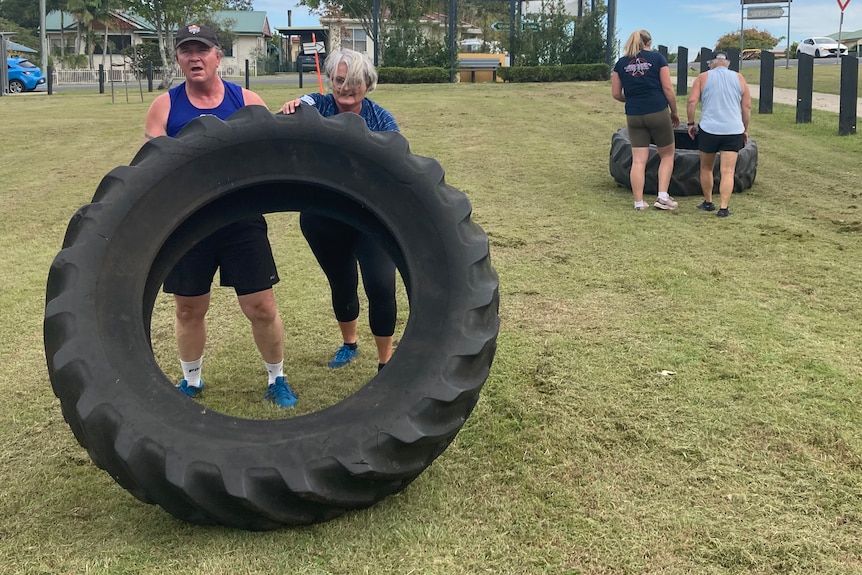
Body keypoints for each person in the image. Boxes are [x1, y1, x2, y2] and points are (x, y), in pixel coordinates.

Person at [143, 24, 296, 407]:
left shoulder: (246, 99)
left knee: (261, 307)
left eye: (202, 50)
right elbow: (150, 167)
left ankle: (277, 378)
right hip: (188, 223)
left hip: (240, 220)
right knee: (188, 307)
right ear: (178, 58)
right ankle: (191, 381)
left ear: (217, 56)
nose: (194, 57)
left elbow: (272, 153)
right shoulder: (165, 106)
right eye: (186, 51)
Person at [280, 49, 398, 372]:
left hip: (369, 220)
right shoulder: (318, 106)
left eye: (354, 81)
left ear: (368, 83)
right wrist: (293, 107)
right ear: (330, 80)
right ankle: (349, 344)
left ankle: (386, 362)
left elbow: (397, 165)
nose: (346, 87)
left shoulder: (381, 120)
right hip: (323, 220)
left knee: (380, 284)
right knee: (342, 282)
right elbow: (299, 106)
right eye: (339, 79)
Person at [611, 29, 680, 211]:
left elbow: (616, 93)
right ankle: (663, 196)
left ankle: (639, 202)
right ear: (649, 42)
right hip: (657, 110)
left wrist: (633, 99)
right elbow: (667, 87)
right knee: (667, 155)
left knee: (639, 160)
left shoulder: (621, 63)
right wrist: (674, 112)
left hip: (633, 114)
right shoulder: (657, 59)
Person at [686, 51, 751, 218]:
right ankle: (724, 207)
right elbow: (747, 107)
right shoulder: (739, 78)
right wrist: (745, 128)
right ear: (727, 63)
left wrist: (691, 123)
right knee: (728, 171)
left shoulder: (702, 77)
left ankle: (708, 202)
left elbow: (692, 101)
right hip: (733, 130)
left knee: (706, 167)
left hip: (709, 129)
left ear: (711, 63)